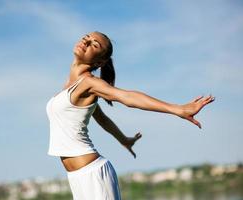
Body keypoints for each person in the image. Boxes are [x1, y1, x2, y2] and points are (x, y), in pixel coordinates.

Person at [46, 31, 215, 200]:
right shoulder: (69, 87)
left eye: (95, 44)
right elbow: (102, 119)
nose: (87, 41)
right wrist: (124, 140)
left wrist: (178, 109)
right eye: (87, 38)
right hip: (77, 177)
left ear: (99, 62)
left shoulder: (89, 83)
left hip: (93, 175)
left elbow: (127, 97)